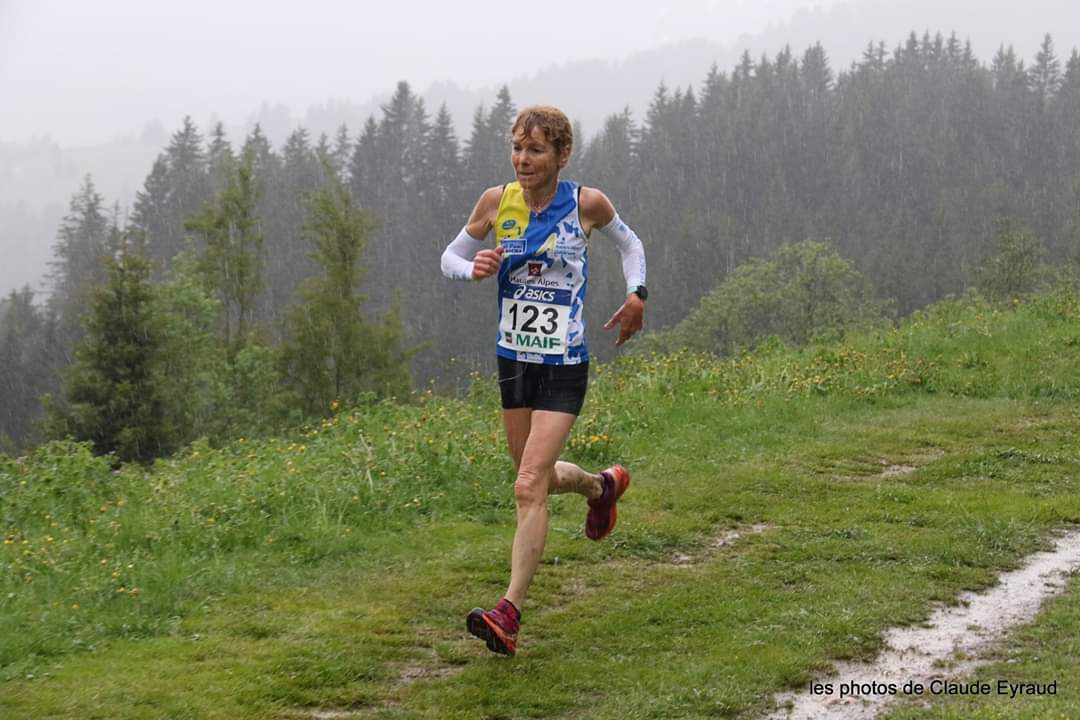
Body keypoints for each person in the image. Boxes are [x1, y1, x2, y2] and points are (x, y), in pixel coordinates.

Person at [441, 105, 648, 656]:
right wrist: (471, 268)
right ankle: (600, 487)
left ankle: (508, 612)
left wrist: (637, 295)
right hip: (513, 359)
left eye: (535, 150)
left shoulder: (586, 204)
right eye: (517, 148)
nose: (523, 159)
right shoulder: (496, 201)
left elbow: (631, 245)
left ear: (562, 155)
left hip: (564, 364)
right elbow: (450, 256)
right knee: (536, 477)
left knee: (527, 484)